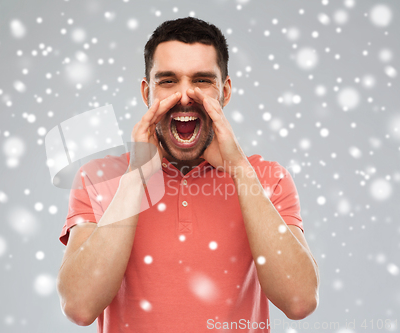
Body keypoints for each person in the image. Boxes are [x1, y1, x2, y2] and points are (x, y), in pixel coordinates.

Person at [56, 17, 319, 332]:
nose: (184, 95)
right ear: (146, 92)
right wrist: (136, 177)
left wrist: (240, 171)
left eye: (202, 80)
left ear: (225, 91)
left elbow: (300, 301)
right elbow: (80, 307)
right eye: (168, 81)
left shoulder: (267, 178)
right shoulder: (98, 177)